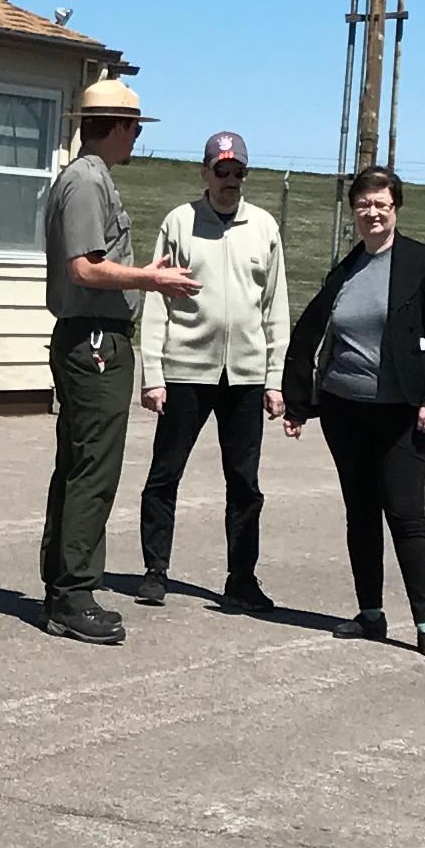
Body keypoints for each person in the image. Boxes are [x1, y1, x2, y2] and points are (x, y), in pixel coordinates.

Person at [37, 77, 199, 645]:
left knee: (81, 462)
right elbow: (84, 268)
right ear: (119, 127)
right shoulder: (85, 183)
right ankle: (73, 594)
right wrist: (150, 278)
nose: (136, 139)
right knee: (94, 468)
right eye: (134, 128)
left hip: (95, 337)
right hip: (95, 341)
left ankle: (66, 584)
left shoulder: (90, 178)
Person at [280, 166, 425, 657]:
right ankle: (371, 614)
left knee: (404, 514)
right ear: (355, 212)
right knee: (360, 513)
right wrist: (299, 403)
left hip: (402, 411)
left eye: (381, 203)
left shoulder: (421, 263)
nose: (373, 212)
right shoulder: (346, 270)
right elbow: (311, 333)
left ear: (395, 207)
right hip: (345, 409)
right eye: (364, 205)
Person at [135, 130, 290, 613]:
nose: (229, 180)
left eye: (237, 172)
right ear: (205, 172)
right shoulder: (180, 223)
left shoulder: (263, 227)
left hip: (243, 377)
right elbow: (158, 298)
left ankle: (241, 578)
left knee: (244, 483)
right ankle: (155, 571)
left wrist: (275, 376)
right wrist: (153, 372)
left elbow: (275, 306)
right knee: (165, 474)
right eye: (221, 171)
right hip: (186, 371)